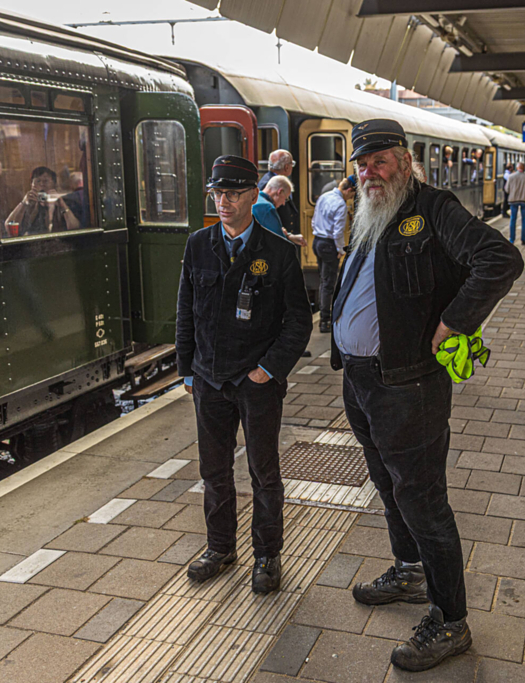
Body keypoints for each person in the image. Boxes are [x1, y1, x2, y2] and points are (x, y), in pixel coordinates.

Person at [330, 119, 523, 672]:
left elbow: (501, 260)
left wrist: (455, 322)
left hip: (408, 385)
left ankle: (450, 620)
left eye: (380, 161)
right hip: (362, 379)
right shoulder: (370, 211)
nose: (369, 172)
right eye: (362, 164)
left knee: (423, 501)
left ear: (406, 160)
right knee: (387, 484)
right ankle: (409, 571)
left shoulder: (434, 209)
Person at [176, 155, 313, 591]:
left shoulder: (278, 253)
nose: (223, 201)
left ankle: (267, 555)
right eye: (217, 193)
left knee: (264, 472)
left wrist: (268, 370)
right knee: (213, 471)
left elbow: (299, 321)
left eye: (233, 193)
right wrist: (187, 370)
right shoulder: (199, 244)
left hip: (255, 383)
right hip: (208, 380)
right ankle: (220, 547)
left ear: (254, 195)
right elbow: (184, 311)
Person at [312, 174, 355, 334]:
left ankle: (324, 316)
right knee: (329, 284)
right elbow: (337, 232)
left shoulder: (324, 196)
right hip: (329, 245)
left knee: (323, 281)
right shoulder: (340, 205)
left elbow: (314, 220)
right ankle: (325, 321)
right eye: (352, 195)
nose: (351, 198)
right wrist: (340, 250)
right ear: (349, 190)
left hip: (317, 241)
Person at [4, 166, 80, 236]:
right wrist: (23, 203)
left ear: (54, 184)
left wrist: (61, 203)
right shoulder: (28, 205)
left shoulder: (64, 203)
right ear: (31, 185)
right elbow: (9, 227)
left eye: (45, 181)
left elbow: (75, 228)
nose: (41, 184)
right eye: (37, 181)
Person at [253, 175, 308, 247]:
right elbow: (279, 242)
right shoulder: (267, 208)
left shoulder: (255, 200)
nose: (283, 203)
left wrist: (288, 236)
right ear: (280, 192)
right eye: (285, 198)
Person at [258, 149, 300, 237]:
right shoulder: (268, 184)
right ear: (286, 167)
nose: (284, 202)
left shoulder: (274, 180)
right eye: (291, 164)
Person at [505, 162, 525, 246]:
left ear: (517, 168)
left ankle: (511, 239)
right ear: (523, 168)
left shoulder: (511, 176)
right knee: (524, 220)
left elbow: (507, 189)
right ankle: (523, 239)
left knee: (513, 219)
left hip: (513, 201)